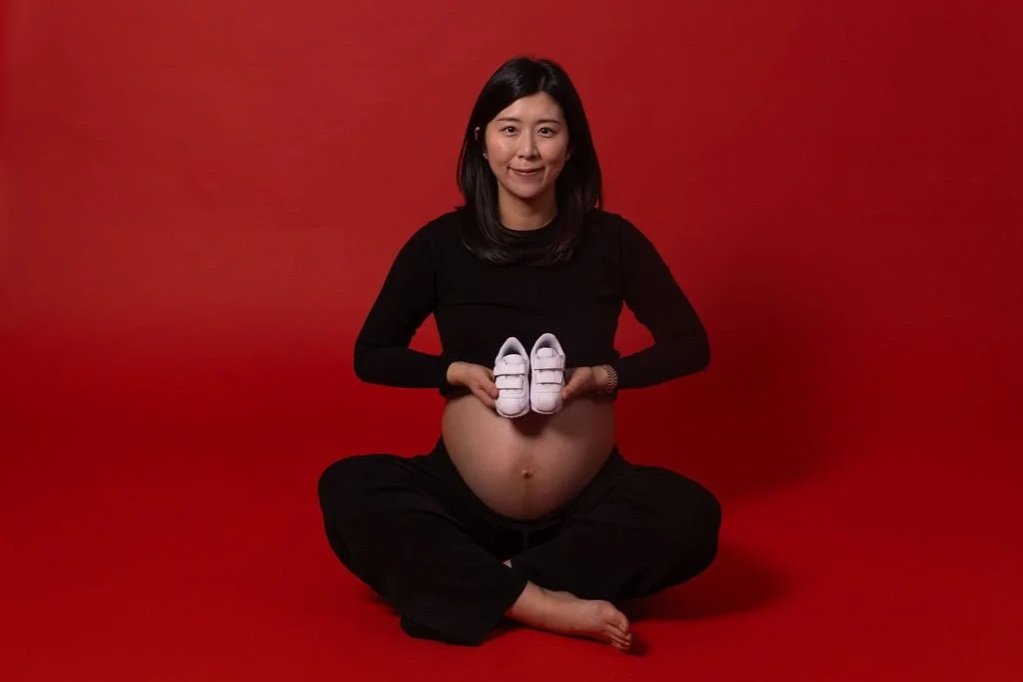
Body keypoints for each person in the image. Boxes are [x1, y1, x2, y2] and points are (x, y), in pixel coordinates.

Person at [317, 56, 721, 650]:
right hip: (460, 504)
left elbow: (691, 345)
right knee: (348, 487)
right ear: (482, 142)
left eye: (546, 130)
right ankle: (541, 602)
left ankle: (481, 587)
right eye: (510, 129)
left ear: (570, 144)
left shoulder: (613, 241)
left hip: (585, 508)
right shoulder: (439, 244)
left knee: (691, 515)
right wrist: (454, 371)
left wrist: (602, 376)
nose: (527, 150)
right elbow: (371, 354)